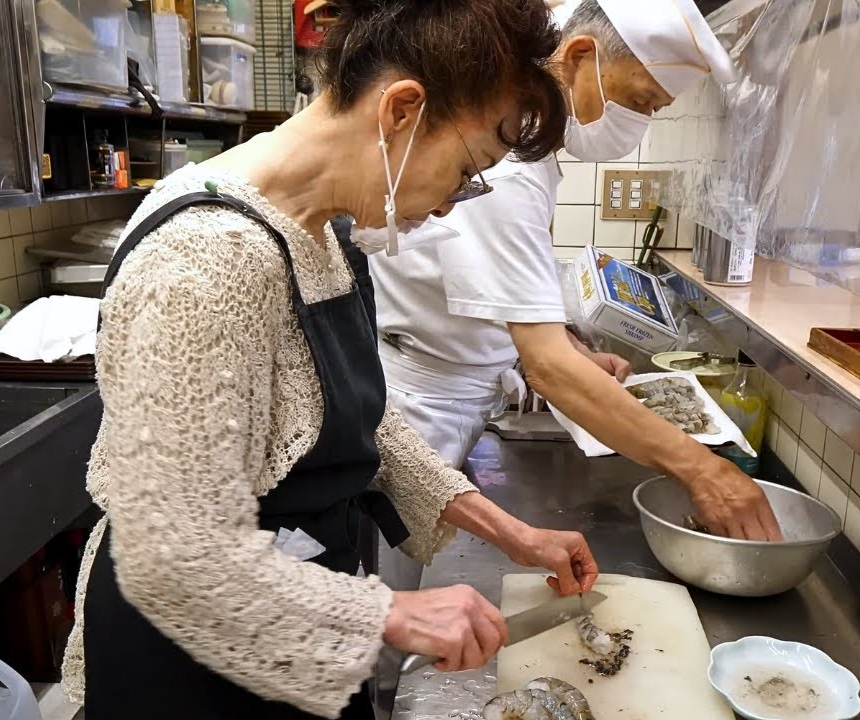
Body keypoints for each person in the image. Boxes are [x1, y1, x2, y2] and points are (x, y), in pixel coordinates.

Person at [58, 2, 599, 718]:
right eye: (466, 170)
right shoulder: (204, 262)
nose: (449, 206)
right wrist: (391, 617)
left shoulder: (318, 230)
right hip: (190, 670)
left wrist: (507, 530)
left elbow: (357, 424)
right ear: (402, 110)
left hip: (294, 613)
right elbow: (175, 555)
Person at [367, 0, 783, 542]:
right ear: (579, 57)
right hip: (420, 413)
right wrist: (705, 471)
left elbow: (498, 298)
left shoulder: (526, 143)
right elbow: (549, 370)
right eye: (640, 101)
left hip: (446, 397)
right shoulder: (508, 164)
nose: (639, 123)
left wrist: (567, 343)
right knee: (393, 597)